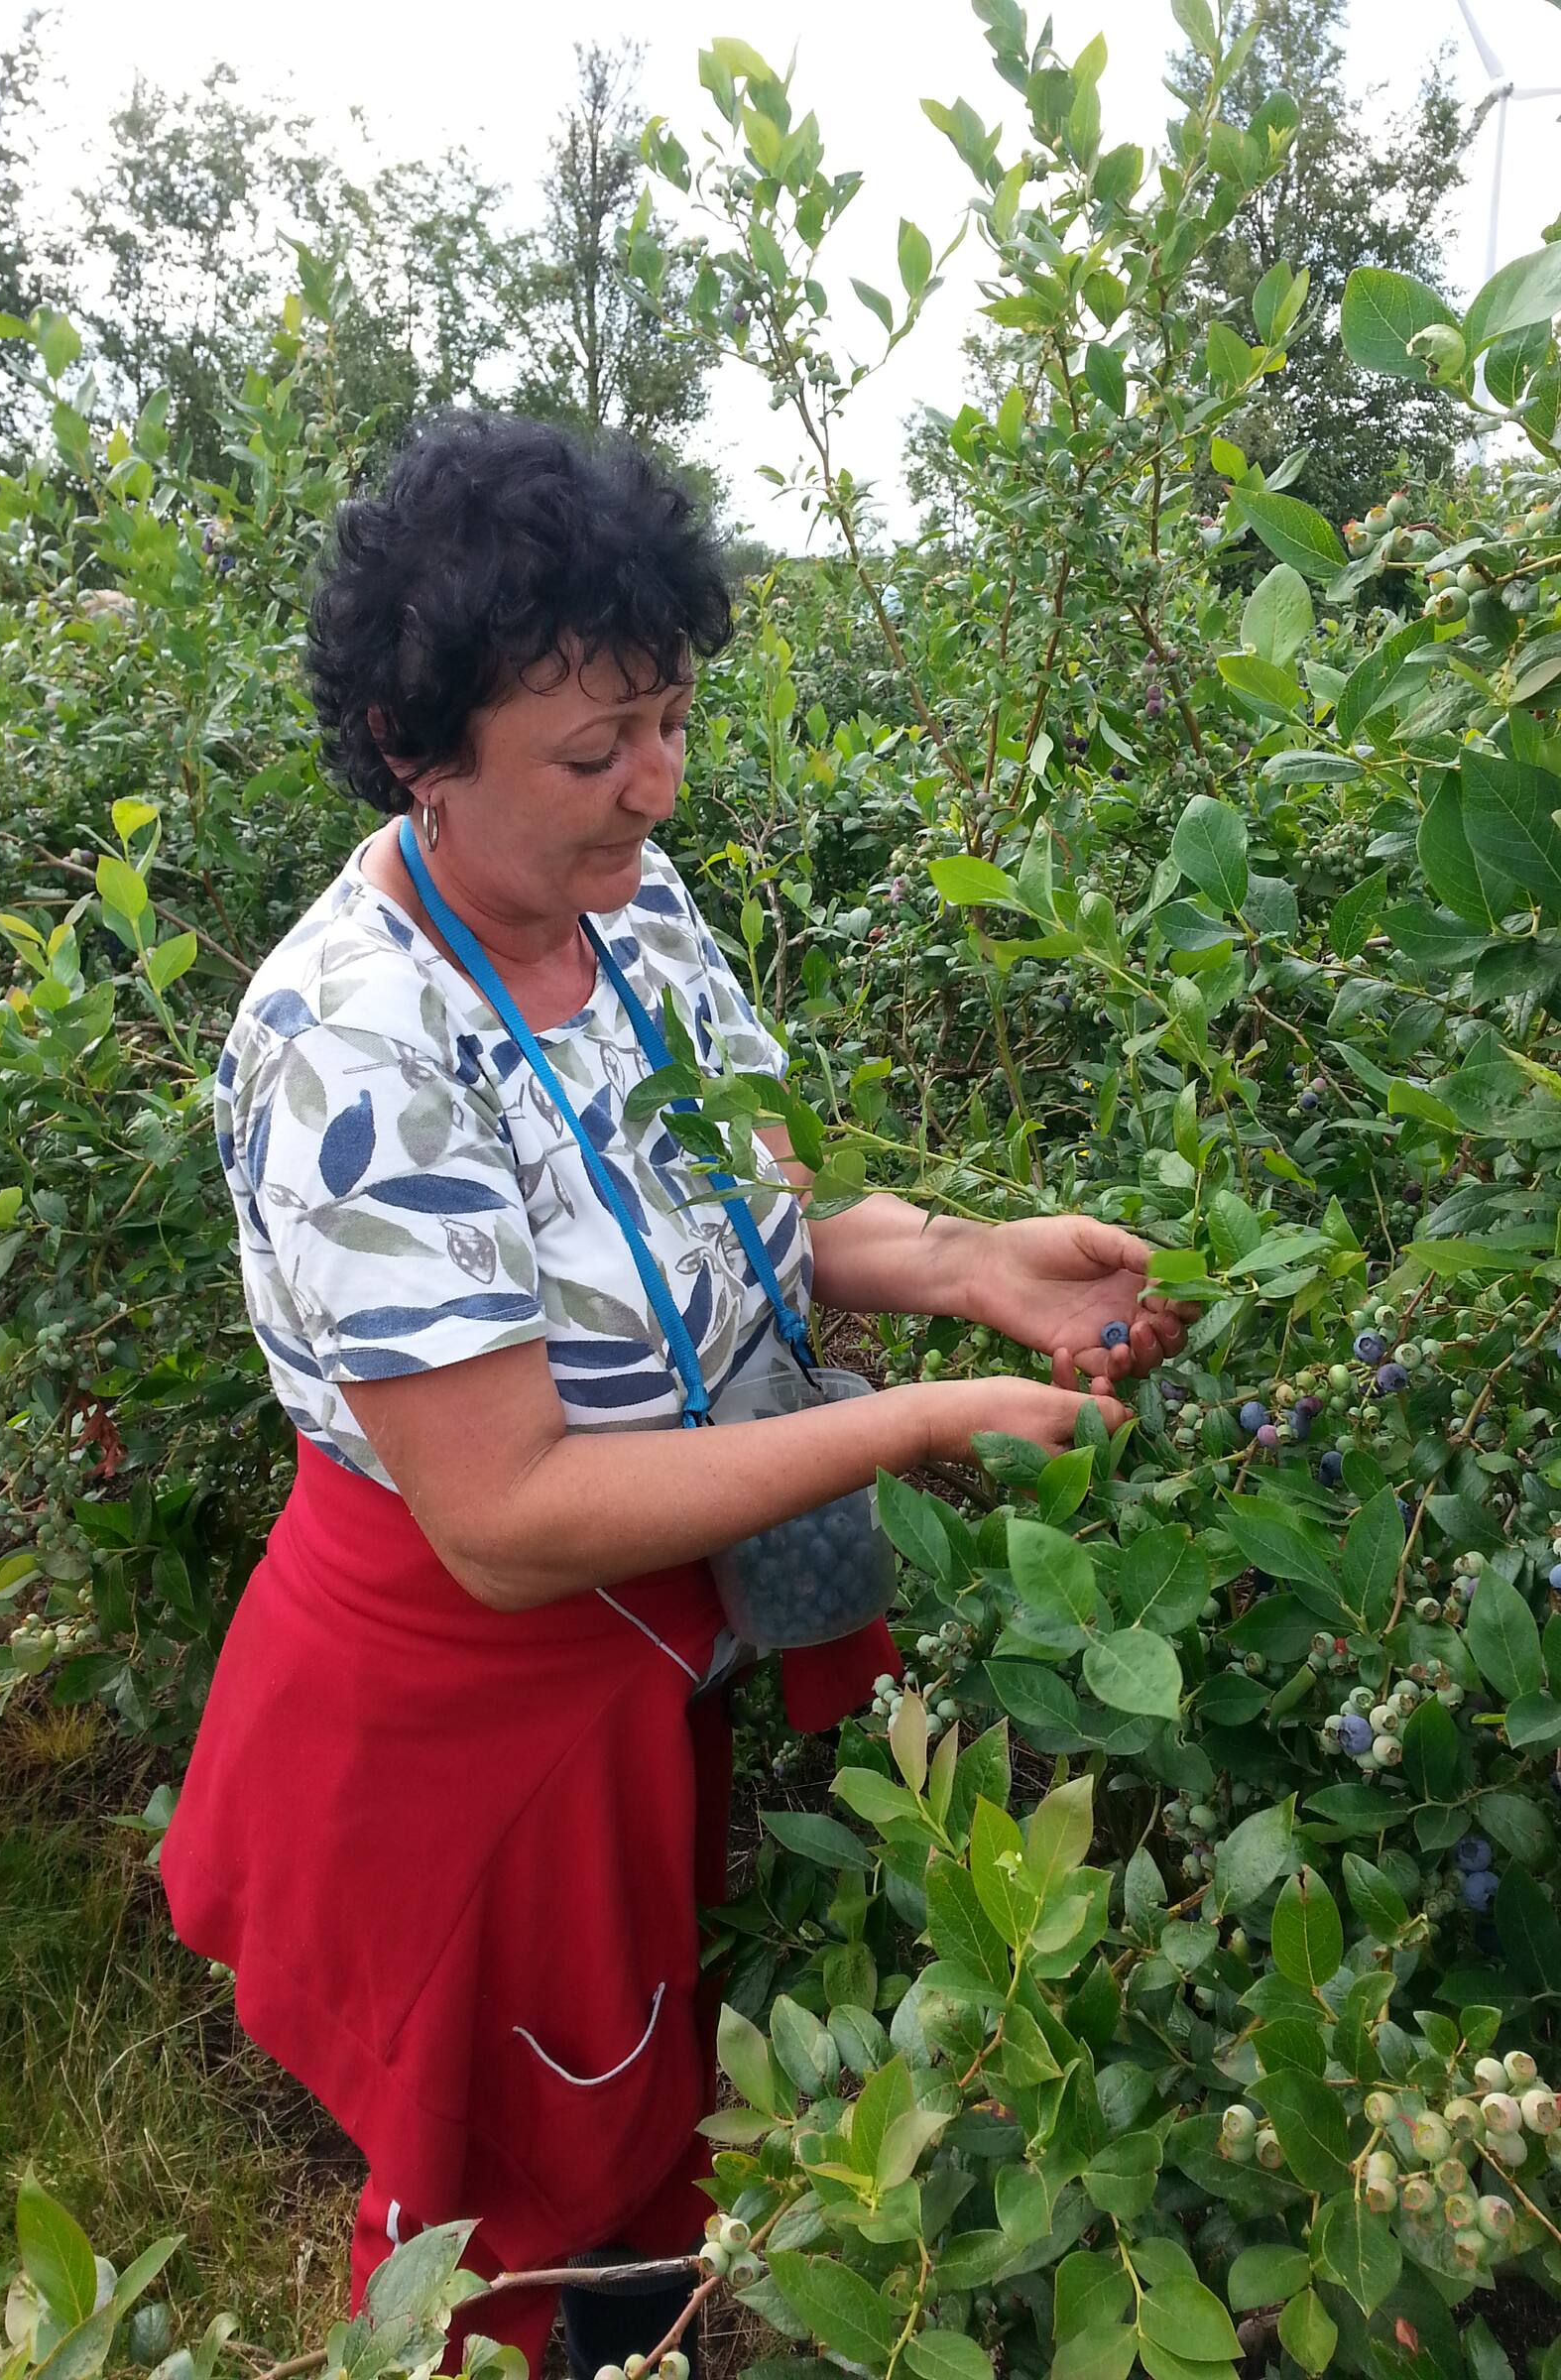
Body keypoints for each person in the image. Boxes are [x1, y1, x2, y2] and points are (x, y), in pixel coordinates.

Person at [159, 409, 1190, 2380]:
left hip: (650, 1651)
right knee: (505, 2205)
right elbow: (512, 1519)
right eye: (588, 748)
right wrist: (912, 1422)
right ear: (416, 750)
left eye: (668, 720)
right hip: (470, 1722)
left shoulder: (630, 915)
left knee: (634, 2118)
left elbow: (747, 1221)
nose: (652, 786)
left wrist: (966, 1266)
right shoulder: (353, 1045)